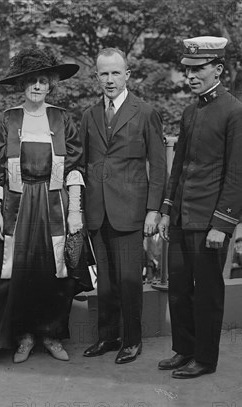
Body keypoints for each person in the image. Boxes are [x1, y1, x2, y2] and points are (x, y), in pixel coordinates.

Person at [157, 36, 242, 379]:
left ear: (218, 69)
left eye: (198, 69)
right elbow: (180, 164)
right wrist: (168, 209)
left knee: (208, 294)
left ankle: (205, 358)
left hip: (210, 222)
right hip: (184, 217)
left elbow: (241, 176)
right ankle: (184, 349)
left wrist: (222, 224)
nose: (191, 76)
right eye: (188, 70)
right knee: (180, 289)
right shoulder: (190, 110)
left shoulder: (236, 113)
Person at [0, 48, 83, 363]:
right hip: (17, 205)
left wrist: (75, 210)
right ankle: (24, 337)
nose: (37, 87)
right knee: (18, 273)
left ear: (50, 84)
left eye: (42, 81)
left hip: (53, 204)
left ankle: (51, 335)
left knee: (56, 271)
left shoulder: (63, 118)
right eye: (31, 82)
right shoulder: (8, 119)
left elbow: (76, 168)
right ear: (22, 85)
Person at [81, 47, 166, 365]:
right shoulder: (89, 115)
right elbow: (86, 162)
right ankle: (108, 336)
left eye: (116, 72)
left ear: (127, 75)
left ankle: (132, 340)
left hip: (131, 213)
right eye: (103, 73)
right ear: (96, 77)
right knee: (104, 280)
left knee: (130, 280)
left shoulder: (144, 112)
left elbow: (158, 166)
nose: (109, 79)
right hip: (97, 211)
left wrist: (153, 210)